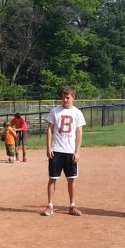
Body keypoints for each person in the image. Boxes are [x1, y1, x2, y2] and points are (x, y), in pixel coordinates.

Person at [41, 86, 86, 217]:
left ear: (73, 98)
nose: (65, 99)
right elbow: (49, 129)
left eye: (68, 97)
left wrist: (77, 151)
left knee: (71, 179)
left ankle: (72, 205)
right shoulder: (55, 111)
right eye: (63, 97)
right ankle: (50, 205)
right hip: (56, 150)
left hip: (70, 151)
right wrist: (49, 147)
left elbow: (79, 133)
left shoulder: (77, 113)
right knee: (52, 178)